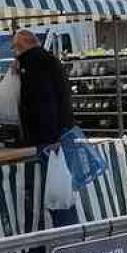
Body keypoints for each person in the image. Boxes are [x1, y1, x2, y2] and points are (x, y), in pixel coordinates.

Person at [13, 29, 78, 225]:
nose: (13, 51)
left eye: (14, 47)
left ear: (22, 46)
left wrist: (51, 138)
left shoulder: (30, 63)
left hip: (47, 138)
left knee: (52, 189)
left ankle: (62, 233)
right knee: (63, 187)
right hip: (63, 133)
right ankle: (69, 231)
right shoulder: (50, 59)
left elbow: (42, 103)